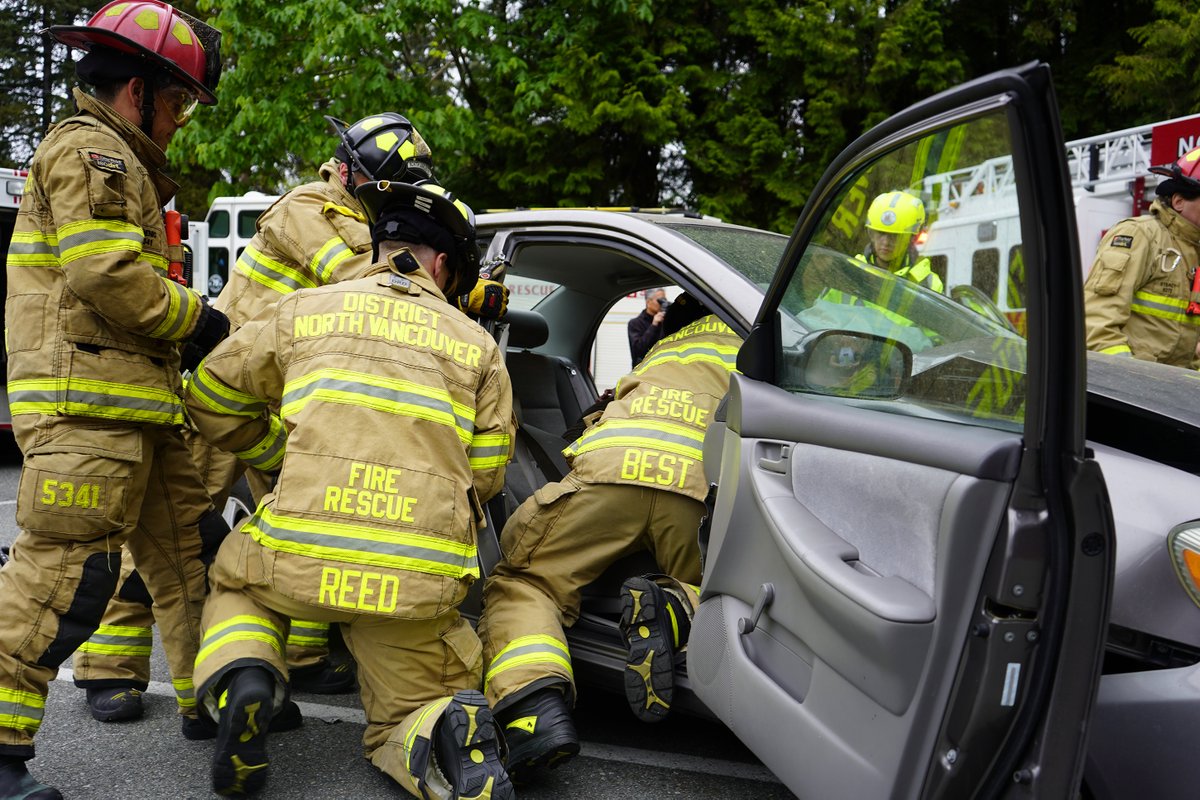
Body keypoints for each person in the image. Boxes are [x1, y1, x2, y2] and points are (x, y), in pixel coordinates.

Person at [73, 111, 443, 722]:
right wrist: (456, 287)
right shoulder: (308, 209)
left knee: (297, 525)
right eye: (388, 189)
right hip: (224, 385)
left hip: (285, 402)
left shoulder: (365, 222)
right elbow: (361, 279)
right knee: (170, 533)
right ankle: (109, 665)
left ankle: (301, 656)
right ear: (349, 172)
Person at [186, 178, 515, 799]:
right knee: (410, 709)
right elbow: (488, 472)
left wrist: (277, 456)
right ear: (442, 266)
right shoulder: (476, 347)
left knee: (236, 584)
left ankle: (246, 675)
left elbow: (207, 394)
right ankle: (437, 741)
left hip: (300, 554)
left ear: (379, 248)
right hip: (413, 578)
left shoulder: (302, 311)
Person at [0, 3, 226, 797]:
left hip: (137, 409)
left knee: (195, 555)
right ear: (137, 91)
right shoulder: (92, 150)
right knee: (64, 576)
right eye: (179, 103)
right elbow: (105, 273)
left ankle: (214, 700)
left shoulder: (120, 159)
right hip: (87, 410)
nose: (179, 121)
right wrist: (198, 319)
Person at [476, 293, 741, 781]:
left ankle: (532, 706)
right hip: (695, 489)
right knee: (724, 590)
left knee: (527, 581)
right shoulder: (756, 344)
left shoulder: (664, 350)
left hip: (611, 472)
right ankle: (675, 607)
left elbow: (596, 419)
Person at [1084, 147, 1200, 368]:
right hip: (1130, 384)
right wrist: (1131, 381)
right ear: (1179, 201)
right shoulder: (1139, 235)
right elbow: (1097, 325)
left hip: (1168, 386)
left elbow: (1182, 343)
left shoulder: (1194, 252)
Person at [859, 190, 944, 293]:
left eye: (895, 236)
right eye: (881, 233)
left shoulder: (929, 284)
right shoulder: (853, 268)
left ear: (911, 238)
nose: (886, 242)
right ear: (871, 234)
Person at [627, 288, 668, 365]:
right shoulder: (635, 323)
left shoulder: (666, 322)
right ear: (648, 302)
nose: (663, 303)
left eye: (664, 300)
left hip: (662, 368)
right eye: (660, 300)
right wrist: (654, 325)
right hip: (644, 370)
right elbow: (638, 351)